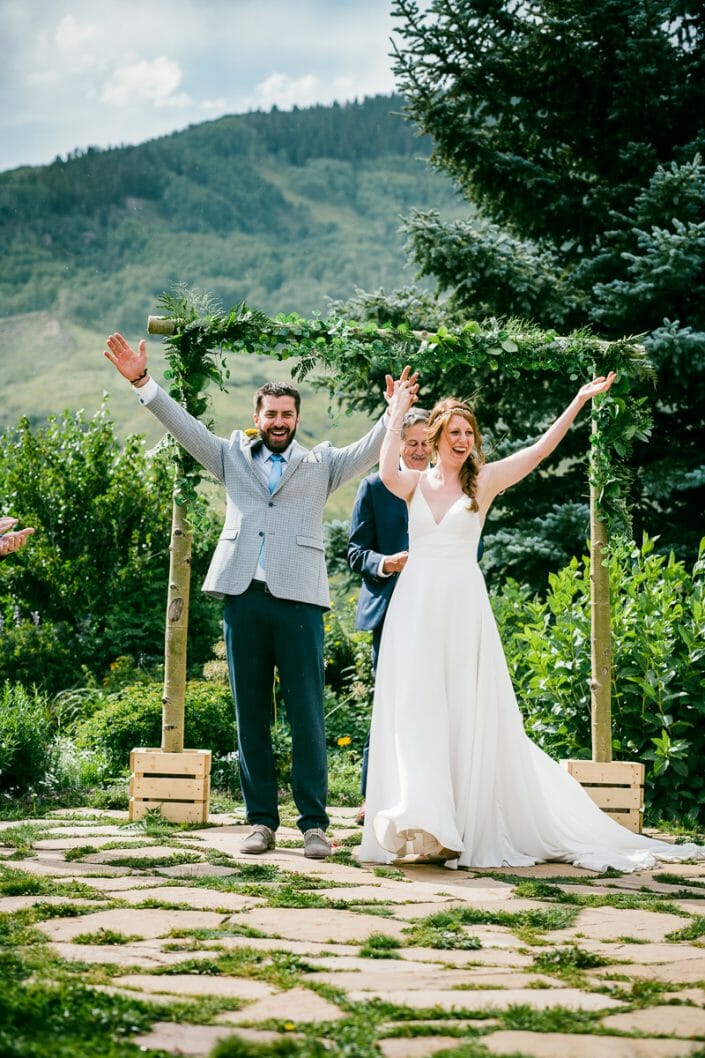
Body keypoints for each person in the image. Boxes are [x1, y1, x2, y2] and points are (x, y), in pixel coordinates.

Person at [359, 375, 705, 872]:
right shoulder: (413, 484)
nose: (463, 440)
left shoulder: (483, 482)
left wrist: (578, 400)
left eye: (469, 433)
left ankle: (463, 824)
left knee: (464, 709)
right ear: (435, 438)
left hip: (462, 606)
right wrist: (396, 411)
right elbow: (385, 468)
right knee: (417, 708)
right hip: (414, 608)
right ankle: (427, 821)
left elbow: (540, 451)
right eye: (454, 432)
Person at [104, 331, 417, 860]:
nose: (278, 421)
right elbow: (185, 427)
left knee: (307, 715)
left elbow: (368, 451)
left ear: (296, 419)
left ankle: (314, 825)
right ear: (258, 415)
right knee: (251, 715)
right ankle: (261, 822)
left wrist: (395, 414)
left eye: (287, 414)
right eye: (271, 413)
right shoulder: (230, 455)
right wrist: (143, 382)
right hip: (243, 597)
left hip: (300, 602)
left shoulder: (322, 464)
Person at [347, 408, 432, 824]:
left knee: (435, 703)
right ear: (397, 446)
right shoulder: (375, 487)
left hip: (440, 610)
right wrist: (386, 563)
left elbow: (474, 546)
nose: (418, 450)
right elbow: (355, 551)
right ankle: (374, 796)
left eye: (425, 443)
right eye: (410, 443)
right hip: (391, 610)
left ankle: (430, 795)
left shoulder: (451, 486)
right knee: (389, 703)